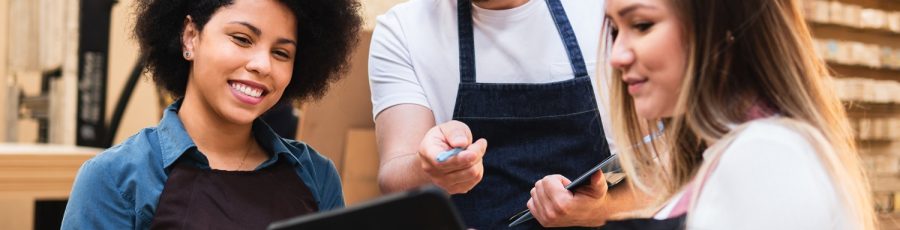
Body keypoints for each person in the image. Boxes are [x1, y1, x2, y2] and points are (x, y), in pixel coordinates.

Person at [61, 0, 361, 229]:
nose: (262, 65)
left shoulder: (316, 176)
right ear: (191, 36)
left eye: (281, 53)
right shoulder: (115, 179)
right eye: (242, 39)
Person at [587, 0, 877, 228]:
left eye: (641, 24)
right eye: (615, 30)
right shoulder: (737, 152)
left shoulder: (766, 155)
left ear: (723, 26)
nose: (616, 55)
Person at [369, 0, 648, 228]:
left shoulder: (608, 13)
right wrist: (431, 170)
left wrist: (601, 209)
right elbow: (393, 177)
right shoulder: (404, 30)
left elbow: (670, 169)